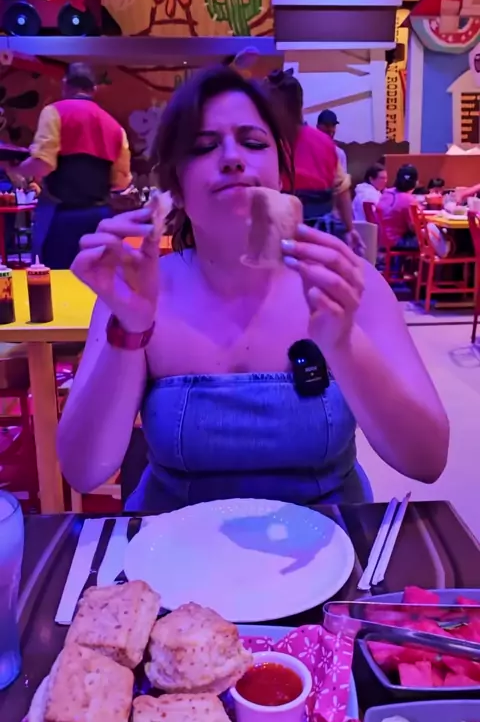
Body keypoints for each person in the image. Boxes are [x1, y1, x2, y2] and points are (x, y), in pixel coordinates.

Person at [57, 66, 449, 512]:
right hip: (169, 543)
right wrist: (130, 330)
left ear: (281, 174)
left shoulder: (348, 282)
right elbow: (83, 470)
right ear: (176, 189)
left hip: (331, 539)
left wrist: (344, 342)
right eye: (204, 146)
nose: (231, 157)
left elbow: (427, 460)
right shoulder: (139, 291)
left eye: (254, 142)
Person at [15, 62, 132, 269]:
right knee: (97, 280)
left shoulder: (54, 112)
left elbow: (43, 164)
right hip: (101, 219)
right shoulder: (115, 126)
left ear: (65, 84)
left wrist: (17, 169)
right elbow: (121, 181)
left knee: (56, 279)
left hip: (60, 218)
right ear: (93, 89)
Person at [264, 70, 356, 246]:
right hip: (320, 237)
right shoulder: (325, 143)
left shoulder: (264, 144)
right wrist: (350, 229)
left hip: (278, 235)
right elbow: (342, 190)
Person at [377, 164, 419, 249]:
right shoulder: (409, 199)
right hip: (396, 242)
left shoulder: (386, 193)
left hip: (382, 239)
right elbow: (414, 228)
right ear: (415, 182)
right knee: (428, 239)